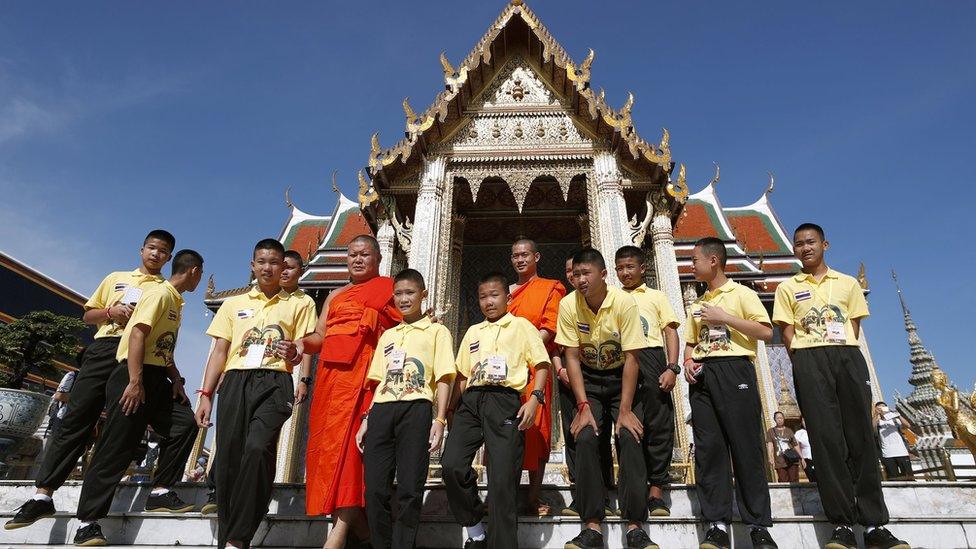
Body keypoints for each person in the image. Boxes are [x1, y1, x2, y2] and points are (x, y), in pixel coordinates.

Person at [5, 230, 178, 531]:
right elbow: (88, 315)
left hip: (137, 357)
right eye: (152, 248)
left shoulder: (166, 291)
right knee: (76, 420)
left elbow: (164, 340)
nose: (156, 254)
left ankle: (90, 518)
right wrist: (113, 311)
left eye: (163, 251)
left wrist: (174, 376)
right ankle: (43, 494)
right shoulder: (115, 278)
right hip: (105, 348)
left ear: (169, 257)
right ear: (141, 249)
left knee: (118, 434)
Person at [773, 223, 910, 549]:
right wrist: (801, 358)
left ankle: (875, 525)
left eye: (810, 242)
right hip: (808, 359)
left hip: (846, 355)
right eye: (799, 244)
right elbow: (786, 330)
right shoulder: (788, 288)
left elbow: (854, 325)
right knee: (825, 441)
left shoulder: (847, 283)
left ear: (824, 244)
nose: (805, 248)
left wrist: (841, 352)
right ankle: (842, 524)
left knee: (860, 436)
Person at [71, 249, 204, 545]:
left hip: (157, 377)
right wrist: (134, 381)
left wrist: (176, 380)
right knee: (118, 443)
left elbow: (163, 346)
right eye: (200, 274)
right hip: (134, 374)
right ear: (194, 272)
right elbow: (137, 335)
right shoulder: (159, 294)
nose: (200, 280)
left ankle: (159, 492)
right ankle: (88, 522)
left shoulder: (176, 302)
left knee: (185, 424)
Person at [195, 239, 317, 549]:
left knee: (257, 447)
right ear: (253, 265)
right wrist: (205, 393)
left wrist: (295, 353)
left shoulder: (300, 304)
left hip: (275, 381)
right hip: (236, 380)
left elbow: (304, 346)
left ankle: (240, 535)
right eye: (261, 261)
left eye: (274, 262)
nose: (267, 267)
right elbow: (220, 351)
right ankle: (229, 534)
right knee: (229, 458)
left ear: (283, 267)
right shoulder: (233, 304)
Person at [282, 235, 401, 549]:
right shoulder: (334, 295)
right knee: (328, 454)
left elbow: (402, 334)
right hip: (331, 382)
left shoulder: (388, 289)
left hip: (365, 380)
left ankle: (336, 535)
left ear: (377, 259)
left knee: (351, 456)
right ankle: (361, 532)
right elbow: (320, 335)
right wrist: (299, 345)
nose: (357, 260)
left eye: (364, 254)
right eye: (352, 255)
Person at [441, 271, 550, 549]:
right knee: (451, 464)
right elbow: (463, 375)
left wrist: (534, 399)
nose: (488, 302)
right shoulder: (473, 332)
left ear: (508, 297)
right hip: (471, 402)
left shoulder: (522, 327)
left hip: (505, 401)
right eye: (482, 297)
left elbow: (541, 365)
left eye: (494, 295)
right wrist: (452, 410)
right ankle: (475, 528)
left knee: (502, 481)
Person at [556, 248, 656, 549]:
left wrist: (625, 409)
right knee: (584, 437)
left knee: (629, 435)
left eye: (586, 274)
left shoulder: (624, 303)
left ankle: (636, 524)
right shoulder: (568, 304)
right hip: (588, 378)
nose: (580, 279)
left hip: (621, 378)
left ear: (603, 275)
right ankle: (592, 525)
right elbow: (571, 357)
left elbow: (632, 358)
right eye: (576, 274)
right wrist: (583, 406)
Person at [683, 237, 777, 549]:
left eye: (695, 259)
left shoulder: (742, 294)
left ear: (713, 261)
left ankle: (758, 526)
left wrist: (725, 318)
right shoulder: (697, 305)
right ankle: (717, 524)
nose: (690, 265)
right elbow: (690, 342)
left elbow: (765, 331)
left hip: (735, 368)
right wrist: (686, 362)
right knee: (709, 450)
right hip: (703, 374)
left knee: (746, 448)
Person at [356, 268, 456, 549]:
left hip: (417, 408)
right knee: (375, 489)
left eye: (410, 293)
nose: (403, 298)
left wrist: (439, 419)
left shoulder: (438, 331)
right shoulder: (388, 336)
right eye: (398, 293)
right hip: (382, 410)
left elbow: (445, 377)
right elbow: (379, 382)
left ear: (423, 295)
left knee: (411, 489)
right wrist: (367, 418)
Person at [614, 245, 681, 517]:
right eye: (620, 268)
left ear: (642, 268)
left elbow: (670, 332)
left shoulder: (656, 296)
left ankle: (656, 491)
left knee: (659, 424)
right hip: (622, 358)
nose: (625, 273)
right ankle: (633, 490)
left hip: (652, 357)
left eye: (630, 267)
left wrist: (672, 368)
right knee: (627, 425)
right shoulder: (612, 298)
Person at [507, 238, 566, 515]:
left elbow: (550, 328)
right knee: (504, 428)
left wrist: (523, 349)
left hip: (534, 366)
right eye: (516, 255)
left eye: (525, 255)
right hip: (504, 368)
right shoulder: (505, 294)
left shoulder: (550, 288)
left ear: (537, 257)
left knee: (536, 429)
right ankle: (503, 493)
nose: (520, 259)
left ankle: (533, 496)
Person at [556, 256, 615, 518]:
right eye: (570, 272)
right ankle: (580, 493)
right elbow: (557, 347)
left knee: (598, 436)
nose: (574, 277)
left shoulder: (604, 302)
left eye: (579, 271)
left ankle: (603, 492)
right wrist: (560, 369)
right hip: (568, 376)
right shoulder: (567, 305)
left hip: (594, 374)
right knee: (576, 436)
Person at [874, 402, 913, 481]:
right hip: (887, 454)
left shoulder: (895, 420)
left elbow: (908, 425)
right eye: (879, 408)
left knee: (909, 477)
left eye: (883, 408)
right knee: (893, 479)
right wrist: (876, 414)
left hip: (902, 452)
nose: (882, 410)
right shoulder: (878, 422)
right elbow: (871, 428)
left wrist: (897, 414)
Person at [766, 411, 804, 482]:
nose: (780, 420)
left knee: (793, 480)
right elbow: (770, 445)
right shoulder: (771, 431)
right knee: (783, 479)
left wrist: (802, 458)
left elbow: (795, 445)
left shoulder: (789, 430)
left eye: (781, 418)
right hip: (779, 460)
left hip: (792, 460)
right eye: (778, 418)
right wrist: (770, 456)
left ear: (783, 419)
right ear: (775, 419)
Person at [794, 418, 815, 482]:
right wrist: (802, 458)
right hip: (807, 459)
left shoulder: (815, 431)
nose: (805, 422)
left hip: (819, 458)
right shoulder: (799, 433)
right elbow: (795, 445)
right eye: (803, 420)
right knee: (812, 478)